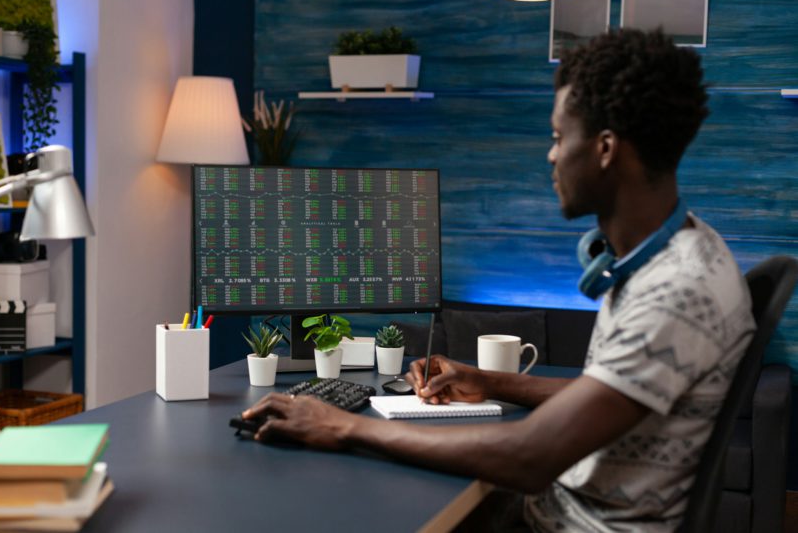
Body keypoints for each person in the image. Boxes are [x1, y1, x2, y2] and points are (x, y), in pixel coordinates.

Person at [240, 29, 755, 532]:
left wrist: (344, 425)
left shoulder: (677, 291)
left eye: (558, 138)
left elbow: (530, 457)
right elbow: (608, 394)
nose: (551, 156)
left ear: (604, 148)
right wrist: (488, 381)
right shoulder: (675, 254)